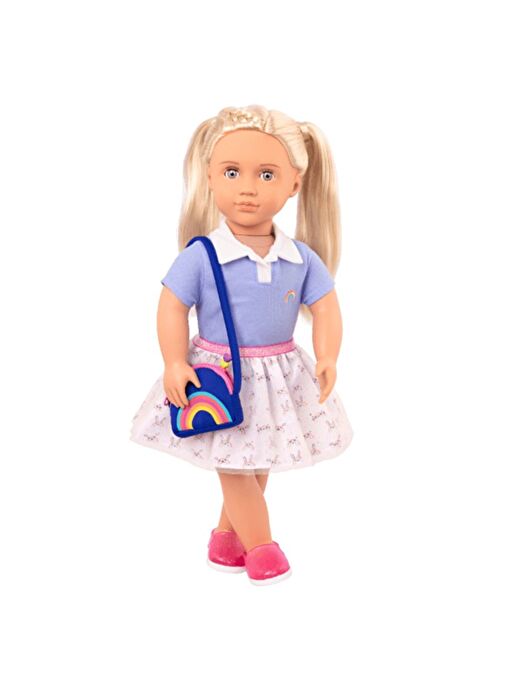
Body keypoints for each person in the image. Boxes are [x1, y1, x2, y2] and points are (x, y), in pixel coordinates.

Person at [130, 105, 354, 585]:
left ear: (294, 184)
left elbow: (327, 308)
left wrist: (328, 355)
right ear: (211, 178)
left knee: (258, 456)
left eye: (266, 174)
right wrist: (174, 361)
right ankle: (261, 546)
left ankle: (226, 540)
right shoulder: (202, 255)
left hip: (278, 374)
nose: (247, 188)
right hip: (218, 374)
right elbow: (171, 307)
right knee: (234, 465)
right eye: (232, 172)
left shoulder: (300, 258)